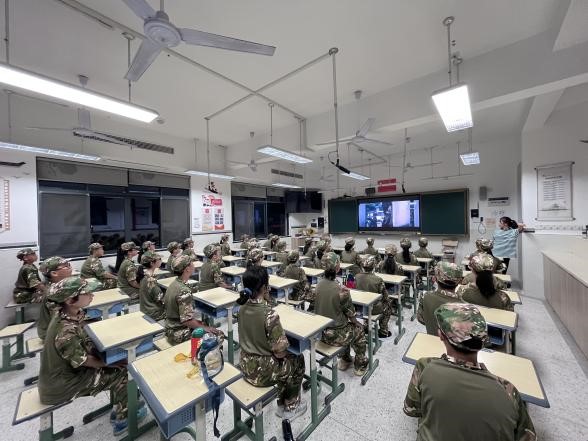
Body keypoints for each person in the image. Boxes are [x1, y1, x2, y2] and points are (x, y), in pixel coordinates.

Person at [403, 303, 536, 441]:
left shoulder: (425, 367)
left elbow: (411, 409)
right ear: (483, 341)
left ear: (441, 335)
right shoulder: (509, 392)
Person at [38, 276, 147, 436]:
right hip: (62, 385)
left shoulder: (68, 313)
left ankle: (120, 403)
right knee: (123, 371)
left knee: (116, 362)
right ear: (70, 300)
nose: (92, 295)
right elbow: (84, 361)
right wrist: (108, 363)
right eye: (87, 293)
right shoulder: (65, 331)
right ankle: (125, 419)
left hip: (64, 374)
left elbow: (84, 332)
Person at [237, 266, 307, 420]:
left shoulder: (241, 309)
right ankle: (291, 405)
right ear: (264, 287)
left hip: (245, 365)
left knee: (283, 361)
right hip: (262, 373)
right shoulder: (269, 314)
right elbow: (280, 353)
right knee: (297, 359)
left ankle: (282, 400)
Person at [315, 252, 368, 376]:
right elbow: (351, 314)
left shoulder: (318, 285)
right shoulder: (342, 290)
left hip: (321, 333)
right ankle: (360, 366)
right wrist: (358, 323)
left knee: (347, 327)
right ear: (338, 267)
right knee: (358, 331)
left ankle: (345, 359)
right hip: (335, 336)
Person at [164, 255, 221, 344]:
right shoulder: (184, 291)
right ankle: (197, 352)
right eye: (192, 264)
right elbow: (187, 321)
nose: (194, 265)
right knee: (218, 335)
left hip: (170, 328)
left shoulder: (174, 283)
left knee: (202, 323)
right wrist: (206, 328)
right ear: (187, 269)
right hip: (178, 332)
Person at [417, 261, 464, 336]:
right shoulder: (464, 304)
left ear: (434, 279)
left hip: (432, 339)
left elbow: (421, 319)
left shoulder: (425, 296)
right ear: (460, 281)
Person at [355, 255, 395, 338]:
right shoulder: (378, 279)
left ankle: (366, 326)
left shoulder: (357, 276)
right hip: (373, 309)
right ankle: (383, 331)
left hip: (360, 307)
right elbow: (385, 296)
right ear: (374, 266)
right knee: (388, 306)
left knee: (366, 301)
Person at [37, 256, 73, 341]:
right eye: (66, 266)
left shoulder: (60, 286)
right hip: (50, 333)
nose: (70, 268)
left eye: (69, 264)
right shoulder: (55, 293)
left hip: (56, 327)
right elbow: (62, 318)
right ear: (54, 273)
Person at [137, 251, 165, 321]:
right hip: (153, 313)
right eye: (159, 259)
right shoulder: (151, 280)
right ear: (152, 263)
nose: (161, 261)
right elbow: (161, 299)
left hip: (145, 310)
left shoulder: (144, 275)